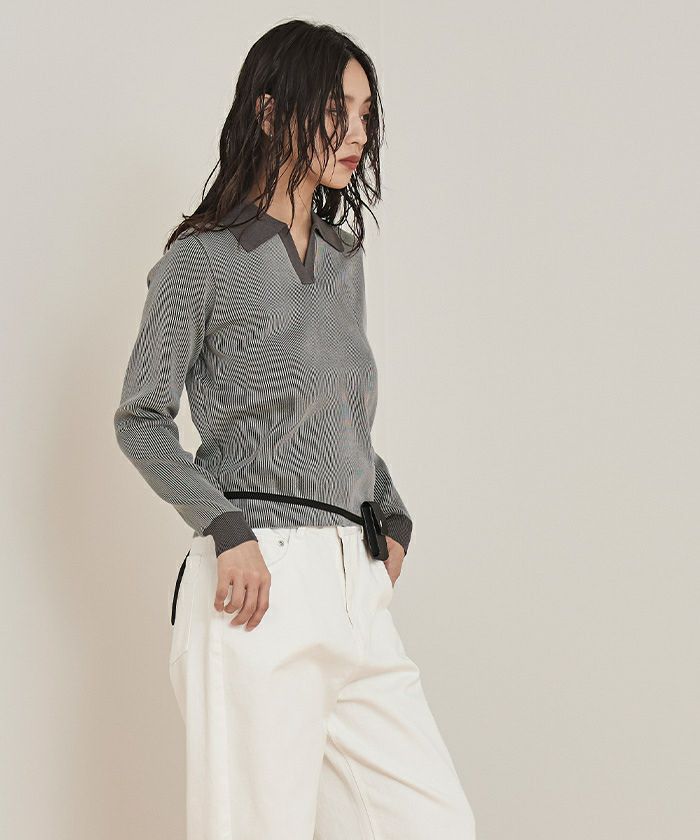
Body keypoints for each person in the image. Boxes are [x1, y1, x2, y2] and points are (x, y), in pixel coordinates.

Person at [113, 18, 476, 840]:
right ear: (272, 112)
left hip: (354, 583)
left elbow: (335, 414)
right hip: (257, 582)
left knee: (433, 823)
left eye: (365, 114)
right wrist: (225, 527)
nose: (357, 131)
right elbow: (140, 418)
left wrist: (392, 511)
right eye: (337, 109)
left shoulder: (344, 260)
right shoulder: (202, 261)